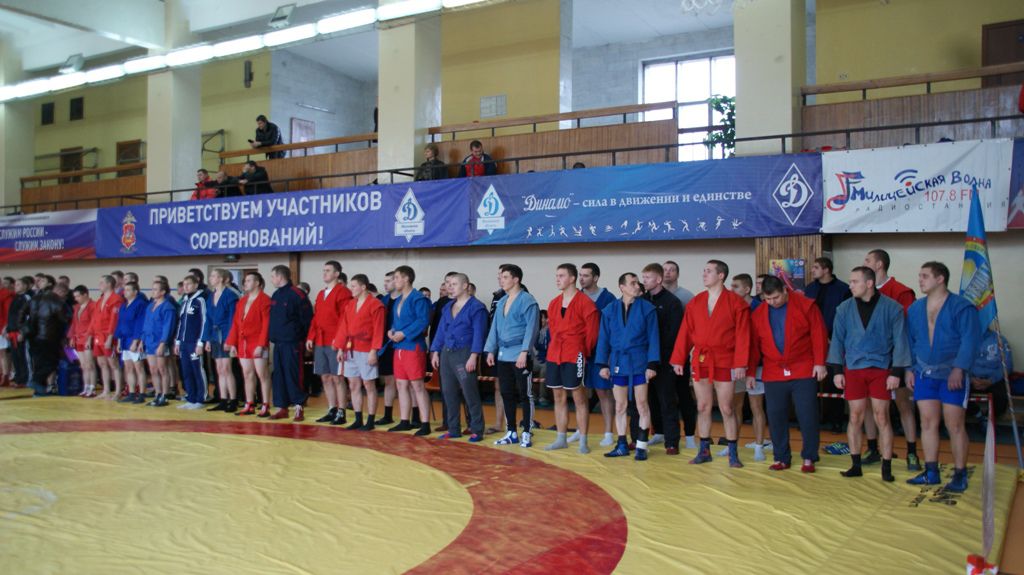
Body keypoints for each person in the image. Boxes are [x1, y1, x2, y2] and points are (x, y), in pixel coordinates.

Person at [827, 266, 911, 482]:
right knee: (855, 416)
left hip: (881, 368)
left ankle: (886, 466)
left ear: (869, 283)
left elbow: (901, 341)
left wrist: (896, 372)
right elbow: (837, 340)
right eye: (850, 281)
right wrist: (837, 371)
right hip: (853, 368)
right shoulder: (844, 308)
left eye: (855, 281)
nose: (851, 285)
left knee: (882, 416)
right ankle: (855, 464)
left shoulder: (892, 308)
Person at [905, 262, 980, 492]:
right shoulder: (915, 309)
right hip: (924, 373)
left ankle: (959, 474)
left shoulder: (962, 307)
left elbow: (970, 340)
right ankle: (931, 471)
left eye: (925, 276)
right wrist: (909, 369)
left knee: (954, 424)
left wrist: (959, 368)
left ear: (940, 279)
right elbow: (910, 341)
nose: (920, 280)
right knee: (927, 422)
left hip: (951, 374)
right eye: (919, 275)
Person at [670, 260, 750, 468]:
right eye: (704, 271)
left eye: (709, 271)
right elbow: (686, 332)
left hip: (726, 360)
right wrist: (678, 358)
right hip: (701, 359)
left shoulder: (736, 303)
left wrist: (740, 363)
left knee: (727, 407)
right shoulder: (696, 302)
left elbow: (743, 335)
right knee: (703, 406)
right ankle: (704, 450)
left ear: (721, 275)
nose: (704, 274)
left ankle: (733, 452)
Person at [749, 276, 828, 472]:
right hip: (774, 371)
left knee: (807, 414)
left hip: (803, 368)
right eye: (767, 299)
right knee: (775, 416)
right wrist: (750, 372)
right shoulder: (759, 313)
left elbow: (818, 334)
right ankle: (781, 457)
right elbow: (754, 347)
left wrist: (820, 363)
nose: (772, 302)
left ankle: (809, 457)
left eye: (775, 297)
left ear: (785, 290)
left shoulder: (806, 305)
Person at [864, 248, 921, 472]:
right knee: (871, 406)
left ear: (879, 264)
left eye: (868, 260)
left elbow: (907, 329)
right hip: (870, 360)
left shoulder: (900, 292)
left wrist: (904, 364)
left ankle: (912, 452)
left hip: (895, 359)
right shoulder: (862, 291)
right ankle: (873, 448)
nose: (864, 263)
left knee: (903, 405)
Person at [596, 273, 660, 461]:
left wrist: (652, 364)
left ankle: (641, 445)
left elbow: (653, 337)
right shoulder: (609, 310)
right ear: (622, 287)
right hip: (618, 362)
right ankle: (622, 444)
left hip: (639, 361)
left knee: (642, 404)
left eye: (637, 283)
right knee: (620, 405)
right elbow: (603, 338)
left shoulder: (647, 309)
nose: (637, 286)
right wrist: (602, 363)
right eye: (632, 283)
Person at [543, 263, 600, 454]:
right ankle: (561, 437)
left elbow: (592, 334)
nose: (557, 279)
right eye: (556, 276)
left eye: (561, 275)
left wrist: (582, 351)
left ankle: (583, 439)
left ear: (572, 278)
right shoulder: (554, 303)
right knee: (558, 396)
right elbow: (552, 329)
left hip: (575, 353)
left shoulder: (585, 303)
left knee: (579, 397)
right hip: (555, 353)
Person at [485, 264, 540, 447]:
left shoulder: (527, 300)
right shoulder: (501, 301)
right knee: (506, 393)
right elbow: (494, 328)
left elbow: (532, 328)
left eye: (505, 277)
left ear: (516, 279)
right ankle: (511, 432)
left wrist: (525, 352)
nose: (501, 280)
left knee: (525, 394)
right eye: (500, 277)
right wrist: (490, 350)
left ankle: (527, 431)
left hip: (520, 353)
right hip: (503, 354)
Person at [431, 273, 488, 441]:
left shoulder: (476, 307)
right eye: (449, 284)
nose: (450, 287)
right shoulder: (448, 306)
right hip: (446, 353)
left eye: (454, 284)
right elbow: (441, 331)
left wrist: (474, 356)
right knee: (448, 392)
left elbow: (479, 333)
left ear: (465, 286)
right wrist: (435, 351)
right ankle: (453, 428)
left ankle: (477, 429)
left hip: (464, 353)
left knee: (469, 391)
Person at [639, 263, 684, 454]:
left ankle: (672, 441)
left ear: (658, 279)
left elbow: (674, 334)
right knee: (649, 399)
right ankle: (657, 432)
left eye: (647, 277)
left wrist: (661, 355)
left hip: (665, 359)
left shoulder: (672, 302)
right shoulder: (641, 300)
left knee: (667, 400)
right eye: (643, 277)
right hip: (644, 359)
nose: (644, 281)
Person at [803, 257, 852, 433]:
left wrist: (833, 337)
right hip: (811, 341)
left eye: (816, 267)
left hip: (834, 340)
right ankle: (812, 419)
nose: (812, 270)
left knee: (834, 380)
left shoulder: (843, 289)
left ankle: (836, 421)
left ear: (826, 270)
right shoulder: (810, 289)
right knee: (810, 382)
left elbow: (846, 316)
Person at [333, 273, 386, 431]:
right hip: (350, 348)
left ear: (363, 287)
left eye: (354, 286)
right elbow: (344, 327)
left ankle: (370, 420)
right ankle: (358, 418)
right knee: (353, 384)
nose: (351, 289)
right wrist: (340, 348)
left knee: (368, 384)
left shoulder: (375, 305)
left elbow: (378, 329)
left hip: (366, 348)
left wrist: (374, 350)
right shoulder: (350, 304)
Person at [386, 265, 433, 435]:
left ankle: (425, 423)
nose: (394, 281)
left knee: (417, 385)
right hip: (399, 347)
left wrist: (404, 333)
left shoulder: (418, 298)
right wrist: (392, 331)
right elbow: (396, 322)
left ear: (406, 279)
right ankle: (404, 420)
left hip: (413, 347)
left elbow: (423, 321)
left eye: (397, 278)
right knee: (401, 384)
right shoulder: (399, 300)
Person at [307, 261, 353, 425]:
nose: (324, 273)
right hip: (320, 340)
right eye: (323, 270)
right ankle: (332, 408)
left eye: (328, 270)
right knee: (325, 376)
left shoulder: (343, 292)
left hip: (334, 341)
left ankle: (341, 411)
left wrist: (340, 340)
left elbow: (344, 318)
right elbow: (316, 317)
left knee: (337, 377)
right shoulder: (321, 294)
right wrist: (310, 337)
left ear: (336, 274)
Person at [577, 262, 617, 447]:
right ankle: (580, 430)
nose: (581, 278)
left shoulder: (608, 298)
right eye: (580, 275)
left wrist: (608, 354)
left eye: (586, 275)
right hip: (580, 351)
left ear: (595, 278)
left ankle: (608, 432)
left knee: (603, 392)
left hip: (600, 353)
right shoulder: (576, 297)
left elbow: (613, 328)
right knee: (579, 392)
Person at [728, 273, 767, 461]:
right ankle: (732, 445)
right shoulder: (732, 307)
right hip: (736, 364)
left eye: (735, 286)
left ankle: (759, 446)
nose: (731, 289)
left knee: (756, 406)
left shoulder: (759, 308)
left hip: (756, 364)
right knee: (735, 406)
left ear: (747, 289)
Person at [267, 265, 313, 421]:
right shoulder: (276, 295)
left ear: (280, 277)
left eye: (273, 276)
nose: (271, 280)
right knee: (278, 375)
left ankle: (299, 406)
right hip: (278, 342)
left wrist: (306, 340)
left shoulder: (297, 294)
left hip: (293, 342)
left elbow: (307, 319)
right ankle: (282, 407)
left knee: (293, 374)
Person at [226, 272, 272, 416]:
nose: (245, 283)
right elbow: (235, 323)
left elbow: (266, 324)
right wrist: (232, 343)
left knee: (262, 374)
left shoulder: (265, 300)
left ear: (257, 283)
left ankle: (266, 404)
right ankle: (249, 403)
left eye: (248, 280)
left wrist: (261, 344)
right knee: (247, 374)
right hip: (243, 341)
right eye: (245, 281)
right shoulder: (242, 301)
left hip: (257, 341)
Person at [21, 275, 68, 397]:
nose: (65, 296)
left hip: (34, 336)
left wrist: (22, 327)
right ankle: (36, 381)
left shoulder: (36, 298)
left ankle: (39, 390)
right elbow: (65, 319)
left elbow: (22, 312)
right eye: (65, 294)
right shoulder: (58, 302)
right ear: (61, 292)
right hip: (50, 337)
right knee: (51, 362)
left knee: (39, 363)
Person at [205, 269, 241, 412]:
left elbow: (233, 320)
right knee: (219, 369)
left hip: (226, 335)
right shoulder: (211, 296)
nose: (211, 278)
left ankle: (233, 400)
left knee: (227, 369)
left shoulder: (230, 296)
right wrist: (207, 339)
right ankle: (223, 399)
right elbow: (208, 319)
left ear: (221, 279)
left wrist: (230, 340)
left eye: (213, 276)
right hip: (214, 335)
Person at [175, 275, 209, 410]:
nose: (186, 287)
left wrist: (200, 342)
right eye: (184, 284)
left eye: (189, 284)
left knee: (197, 370)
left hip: (194, 342)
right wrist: (178, 341)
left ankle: (200, 398)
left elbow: (204, 321)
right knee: (186, 370)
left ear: (196, 285)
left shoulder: (200, 300)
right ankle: (191, 397)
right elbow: (181, 323)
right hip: (183, 343)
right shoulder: (184, 301)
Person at [142, 279, 177, 407]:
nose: (153, 291)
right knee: (153, 369)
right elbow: (146, 324)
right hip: (149, 341)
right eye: (152, 289)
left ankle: (165, 395)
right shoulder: (150, 306)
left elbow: (168, 327)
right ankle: (157, 394)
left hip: (160, 342)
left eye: (156, 289)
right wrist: (142, 340)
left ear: (163, 292)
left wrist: (163, 343)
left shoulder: (168, 307)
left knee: (162, 369)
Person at [90, 275, 124, 400]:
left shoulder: (116, 299)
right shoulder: (100, 300)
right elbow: (94, 319)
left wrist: (110, 337)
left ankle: (118, 391)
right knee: (102, 363)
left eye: (101, 283)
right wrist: (91, 336)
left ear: (109, 284)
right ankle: (106, 390)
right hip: (98, 335)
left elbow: (114, 321)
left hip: (108, 335)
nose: (99, 285)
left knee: (113, 364)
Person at [114, 281, 149, 404]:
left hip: (134, 339)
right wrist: (119, 341)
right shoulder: (123, 306)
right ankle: (132, 393)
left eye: (128, 290)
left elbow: (140, 324)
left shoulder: (140, 304)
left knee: (139, 367)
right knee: (128, 368)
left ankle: (142, 393)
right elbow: (120, 324)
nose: (125, 292)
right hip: (124, 340)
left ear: (135, 292)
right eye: (125, 290)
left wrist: (136, 341)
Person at [375, 271, 399, 426]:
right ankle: (388, 414)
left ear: (397, 281)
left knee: (405, 383)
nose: (385, 284)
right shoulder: (383, 300)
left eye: (388, 281)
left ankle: (414, 417)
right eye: (384, 281)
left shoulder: (405, 299)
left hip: (400, 343)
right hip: (385, 345)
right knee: (389, 380)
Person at [68, 286, 97, 397]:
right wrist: (72, 337)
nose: (76, 299)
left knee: (90, 364)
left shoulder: (93, 306)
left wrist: (89, 338)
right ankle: (86, 386)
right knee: (83, 365)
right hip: (78, 338)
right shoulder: (77, 307)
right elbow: (74, 323)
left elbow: (93, 323)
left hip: (87, 338)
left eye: (78, 296)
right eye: (75, 296)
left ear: (85, 294)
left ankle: (92, 388)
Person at [6, 277, 32, 388]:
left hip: (21, 333)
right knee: (15, 357)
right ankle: (19, 378)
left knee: (23, 356)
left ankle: (27, 379)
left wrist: (22, 332)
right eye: (15, 284)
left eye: (18, 284)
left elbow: (28, 317)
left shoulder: (27, 298)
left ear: (25, 286)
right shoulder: (15, 298)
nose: (15, 287)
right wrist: (8, 329)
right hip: (12, 332)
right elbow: (11, 316)